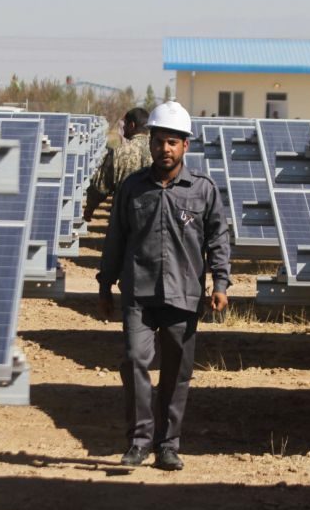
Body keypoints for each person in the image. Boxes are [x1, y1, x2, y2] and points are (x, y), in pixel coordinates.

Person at [97, 101, 231, 471]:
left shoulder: (203, 190)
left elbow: (218, 238)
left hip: (184, 296)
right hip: (138, 294)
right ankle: (139, 442)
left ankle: (168, 445)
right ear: (151, 142)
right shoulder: (131, 189)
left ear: (185, 146)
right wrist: (105, 284)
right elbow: (115, 240)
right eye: (159, 141)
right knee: (134, 361)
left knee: (176, 373)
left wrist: (220, 281)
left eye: (173, 142)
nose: (165, 149)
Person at [82, 107, 152, 222]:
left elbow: (100, 187)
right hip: (151, 220)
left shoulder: (117, 153)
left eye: (125, 124)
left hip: (123, 221)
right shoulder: (159, 152)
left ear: (132, 125)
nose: (123, 127)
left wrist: (89, 209)